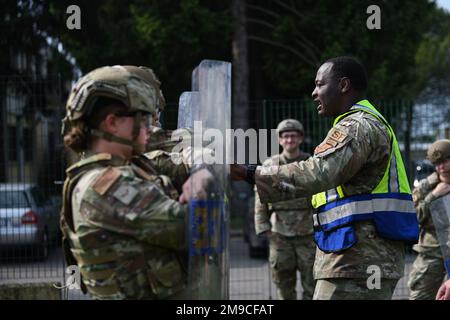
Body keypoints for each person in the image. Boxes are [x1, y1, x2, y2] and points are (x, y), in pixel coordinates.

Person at [229, 56, 419, 300]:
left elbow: (319, 172)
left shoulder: (356, 126)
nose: (314, 92)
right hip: (360, 256)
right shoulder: (367, 123)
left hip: (356, 259)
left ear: (343, 85)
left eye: (320, 84)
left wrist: (249, 173)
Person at [60, 65, 211, 299]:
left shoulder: (122, 170)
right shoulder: (107, 185)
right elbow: (200, 231)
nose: (150, 127)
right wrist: (201, 181)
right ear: (112, 123)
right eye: (142, 117)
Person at [254, 119, 316, 300]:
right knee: (283, 286)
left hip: (309, 234)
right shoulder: (270, 165)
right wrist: (262, 226)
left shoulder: (310, 163)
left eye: (294, 136)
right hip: (279, 234)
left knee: (312, 285)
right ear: (280, 140)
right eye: (286, 136)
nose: (290, 140)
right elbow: (260, 197)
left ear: (300, 139)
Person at [408, 139, 450, 299]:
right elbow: (412, 219)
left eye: (445, 161)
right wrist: (432, 197)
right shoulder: (425, 188)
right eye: (437, 164)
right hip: (433, 251)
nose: (442, 168)